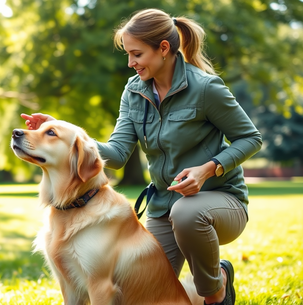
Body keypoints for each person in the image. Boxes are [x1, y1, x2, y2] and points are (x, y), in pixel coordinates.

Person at [21, 8, 262, 305]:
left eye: (136, 54)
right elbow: (118, 153)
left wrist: (207, 169)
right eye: (127, 54)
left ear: (163, 49)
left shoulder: (205, 88)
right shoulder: (134, 91)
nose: (130, 63)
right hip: (164, 208)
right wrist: (65, 136)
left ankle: (216, 292)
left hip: (220, 202)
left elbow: (251, 138)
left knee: (187, 214)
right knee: (146, 290)